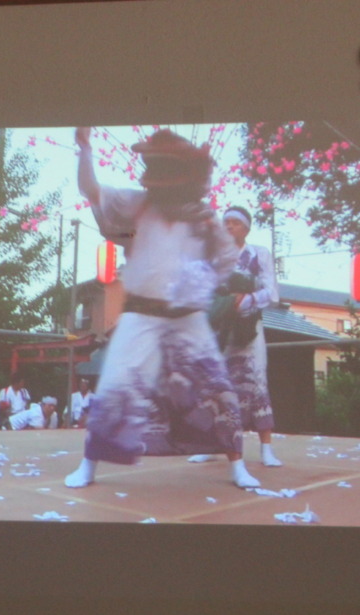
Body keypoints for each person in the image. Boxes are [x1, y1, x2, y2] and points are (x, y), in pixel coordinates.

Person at [64, 127, 259, 490]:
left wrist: (203, 280)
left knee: (217, 387)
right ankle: (88, 465)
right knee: (116, 382)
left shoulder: (203, 218)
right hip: (140, 313)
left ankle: (237, 466)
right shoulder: (137, 204)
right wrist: (85, 148)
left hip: (187, 317)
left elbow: (226, 258)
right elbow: (91, 189)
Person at [189, 206, 282, 468]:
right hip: (220, 329)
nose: (229, 227)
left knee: (256, 382)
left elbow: (272, 293)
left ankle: (266, 448)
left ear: (246, 228)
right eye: (226, 222)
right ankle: (210, 444)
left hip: (248, 327)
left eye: (235, 223)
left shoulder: (259, 254)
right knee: (215, 386)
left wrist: (247, 299)